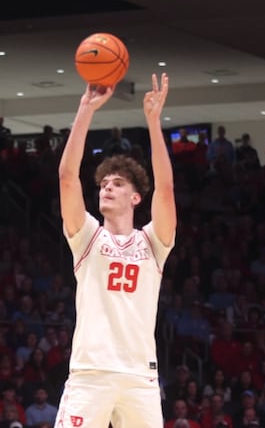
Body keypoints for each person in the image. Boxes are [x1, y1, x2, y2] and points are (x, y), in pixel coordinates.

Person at [55, 74, 176, 428]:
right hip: (91, 372)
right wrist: (85, 110)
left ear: (136, 197)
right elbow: (67, 177)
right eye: (104, 184)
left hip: (140, 376)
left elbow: (166, 189)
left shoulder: (152, 242)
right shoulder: (87, 236)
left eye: (117, 184)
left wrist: (153, 122)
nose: (107, 188)